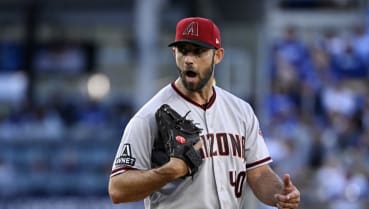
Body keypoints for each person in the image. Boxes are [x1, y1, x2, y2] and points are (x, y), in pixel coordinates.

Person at [108, 17, 300, 209]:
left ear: (218, 55)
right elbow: (117, 189)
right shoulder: (149, 116)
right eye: (183, 51)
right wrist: (166, 173)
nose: (189, 59)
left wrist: (279, 194)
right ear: (174, 52)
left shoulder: (241, 111)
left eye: (198, 52)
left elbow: (258, 173)